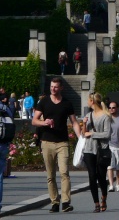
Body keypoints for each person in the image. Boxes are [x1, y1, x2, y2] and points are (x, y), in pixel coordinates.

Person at [32, 76, 81, 213]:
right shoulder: (44, 102)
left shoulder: (67, 103)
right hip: (47, 142)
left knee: (64, 172)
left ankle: (65, 202)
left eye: (56, 87)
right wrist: (44, 122)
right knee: (50, 175)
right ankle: (54, 202)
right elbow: (34, 121)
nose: (53, 89)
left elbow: (74, 122)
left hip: (62, 142)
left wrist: (80, 138)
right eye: (51, 86)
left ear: (61, 88)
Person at [81, 93, 112, 213]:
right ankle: (96, 203)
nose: (87, 103)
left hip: (101, 149)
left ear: (92, 101)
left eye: (88, 100)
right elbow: (84, 134)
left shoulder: (105, 116)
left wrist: (92, 134)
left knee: (101, 176)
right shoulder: (88, 115)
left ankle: (103, 196)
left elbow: (107, 134)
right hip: (89, 149)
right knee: (92, 176)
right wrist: (84, 124)